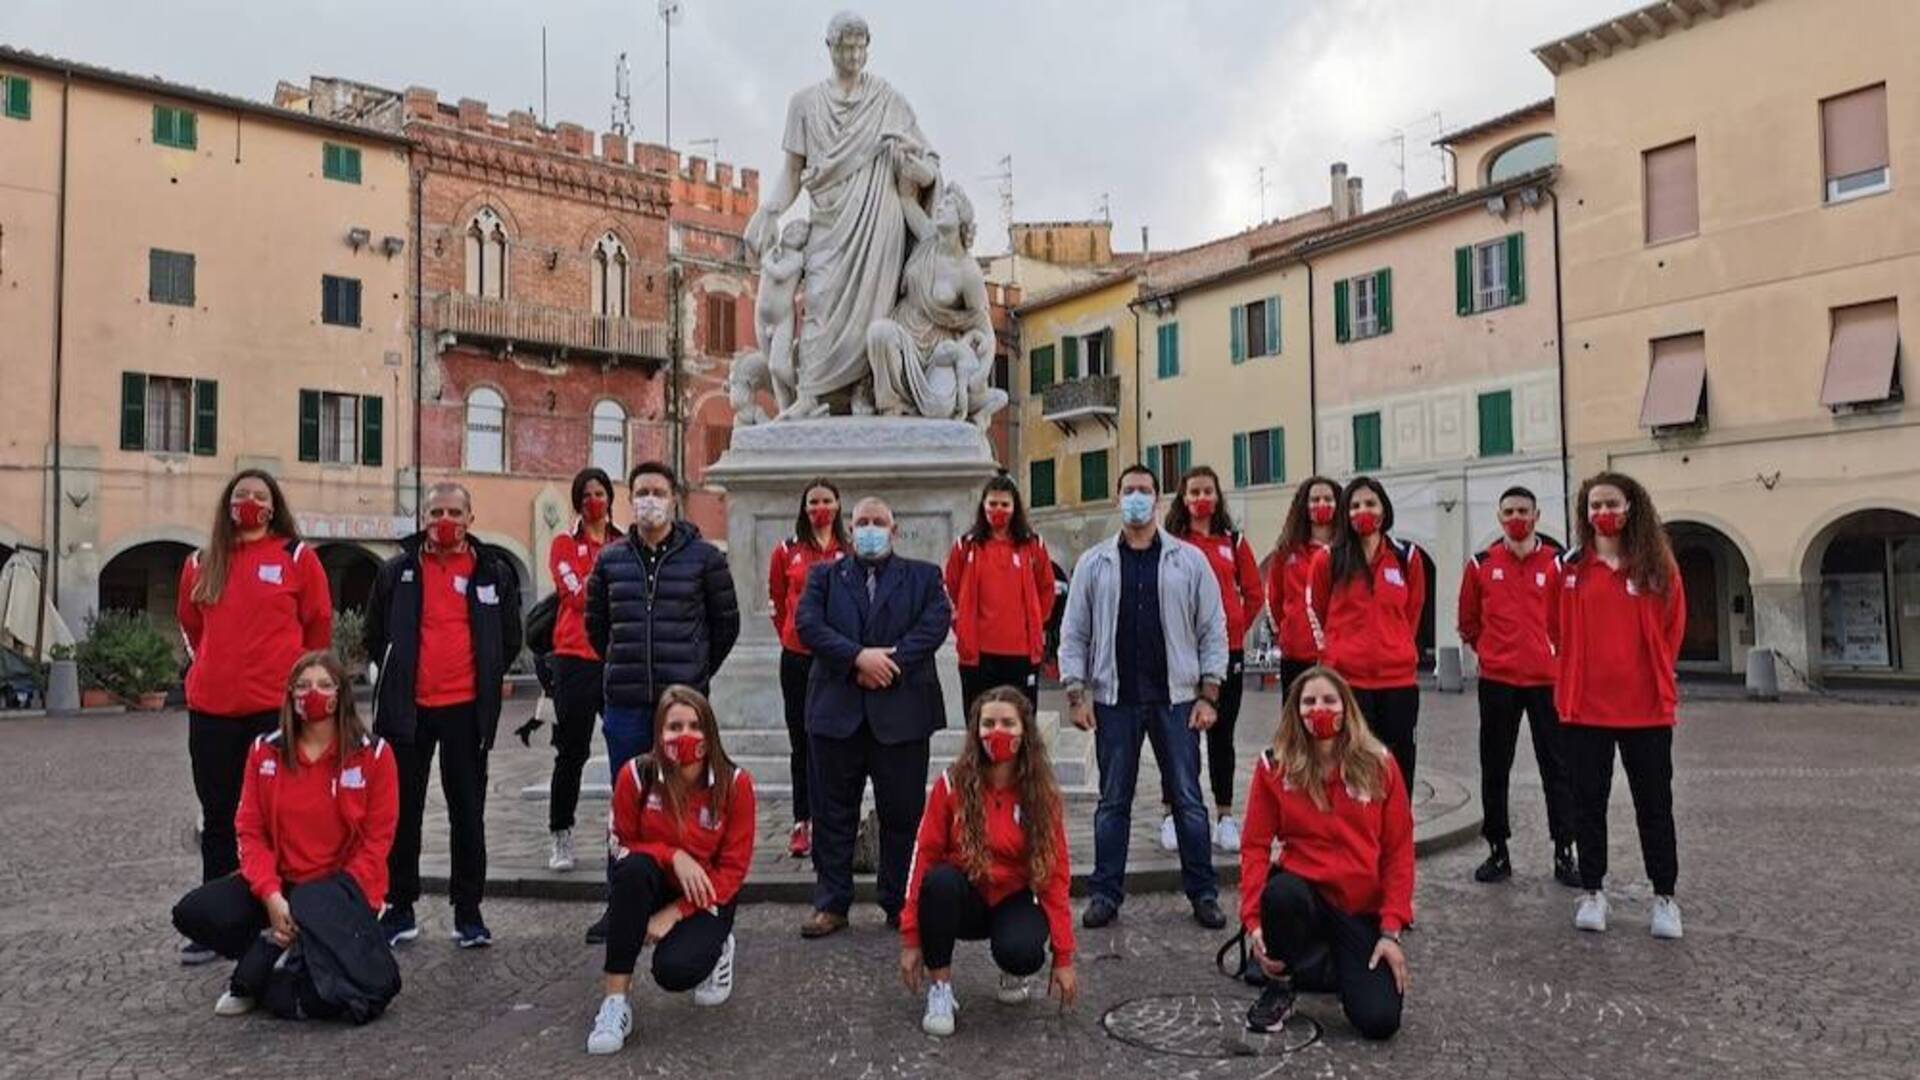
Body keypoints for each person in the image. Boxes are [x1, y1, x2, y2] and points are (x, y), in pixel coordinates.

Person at [171, 651, 399, 1019]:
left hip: (339, 891)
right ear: (290, 693)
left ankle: (270, 965)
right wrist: (272, 896)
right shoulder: (265, 752)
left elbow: (377, 842)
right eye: (304, 685)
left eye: (325, 685)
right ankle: (272, 950)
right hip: (282, 885)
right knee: (196, 911)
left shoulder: (374, 756)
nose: (313, 693)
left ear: (341, 694)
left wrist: (318, 911)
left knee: (305, 992)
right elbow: (250, 831)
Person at [1060, 464, 1228, 931]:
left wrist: (1209, 694)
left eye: (1144, 491)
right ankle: (1105, 894)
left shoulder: (1189, 560)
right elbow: (1073, 632)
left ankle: (1203, 892)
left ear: (1157, 499)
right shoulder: (1095, 562)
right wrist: (1077, 692)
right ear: (1118, 499)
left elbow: (1213, 627)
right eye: (1129, 490)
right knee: (1113, 802)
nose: (1136, 498)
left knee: (1190, 799)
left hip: (1175, 699)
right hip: (1115, 701)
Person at [175, 469, 333, 965]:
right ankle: (217, 922)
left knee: (280, 815)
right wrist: (220, 666)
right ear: (227, 504)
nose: (249, 502)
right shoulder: (201, 563)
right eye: (241, 494)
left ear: (274, 506)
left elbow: (318, 623)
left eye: (259, 495)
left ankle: (282, 914)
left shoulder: (296, 558)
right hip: (212, 710)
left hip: (274, 709)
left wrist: (295, 678)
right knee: (219, 815)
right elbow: (192, 626)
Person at [585, 461, 741, 942]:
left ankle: (690, 900)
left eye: (657, 491)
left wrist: (693, 677)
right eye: (640, 491)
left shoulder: (705, 559)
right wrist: (622, 666)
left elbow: (725, 625)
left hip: (682, 710)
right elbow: (598, 629)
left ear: (675, 497)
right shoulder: (610, 561)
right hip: (628, 704)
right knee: (626, 809)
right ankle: (623, 903)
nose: (649, 500)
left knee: (688, 804)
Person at [364, 481, 523, 949]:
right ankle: (400, 906)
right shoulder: (397, 571)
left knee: (468, 813)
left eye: (454, 511)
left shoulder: (493, 572)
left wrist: (487, 673)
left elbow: (509, 636)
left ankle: (468, 911)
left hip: (467, 711)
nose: (444, 521)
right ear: (424, 518)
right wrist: (398, 679)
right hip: (406, 713)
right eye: (436, 512)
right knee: (401, 812)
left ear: (471, 519)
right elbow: (376, 633)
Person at [794, 496, 952, 939]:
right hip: (835, 713)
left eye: (878, 521)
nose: (869, 528)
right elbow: (809, 625)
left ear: (894, 529)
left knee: (901, 815)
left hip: (901, 714)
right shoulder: (823, 577)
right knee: (831, 813)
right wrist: (858, 659)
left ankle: (899, 901)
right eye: (861, 521)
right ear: (849, 529)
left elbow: (933, 625)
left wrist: (888, 663)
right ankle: (831, 902)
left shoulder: (924, 577)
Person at [1239, 666, 1411, 1041]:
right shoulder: (1275, 767)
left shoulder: (1380, 765)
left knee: (1380, 1020)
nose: (1319, 708)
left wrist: (1391, 931)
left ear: (1346, 707)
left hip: (1358, 906)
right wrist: (1254, 923)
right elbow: (1254, 846)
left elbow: (1398, 851)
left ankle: (1329, 967)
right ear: (1295, 711)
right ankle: (1281, 984)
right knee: (1282, 894)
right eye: (1309, 701)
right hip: (1303, 897)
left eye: (1329, 700)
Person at [585, 686, 756, 1055]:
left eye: (695, 725)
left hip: (706, 892)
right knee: (630, 870)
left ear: (710, 732)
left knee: (674, 972)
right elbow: (620, 844)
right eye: (674, 726)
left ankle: (718, 945)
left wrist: (675, 913)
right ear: (658, 733)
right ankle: (615, 1003)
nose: (685, 735)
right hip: (653, 881)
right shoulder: (636, 775)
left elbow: (733, 871)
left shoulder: (735, 784)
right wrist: (672, 855)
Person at [899, 688, 1077, 1037]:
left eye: (1008, 723)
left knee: (1023, 951)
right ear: (975, 730)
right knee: (939, 881)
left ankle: (1013, 969)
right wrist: (910, 938)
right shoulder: (951, 785)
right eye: (989, 722)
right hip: (963, 895)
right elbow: (923, 858)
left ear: (1024, 731)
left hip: (1013, 897)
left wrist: (1064, 956)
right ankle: (940, 989)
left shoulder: (1041, 794)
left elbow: (1056, 874)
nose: (997, 731)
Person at [1556, 472, 1687, 940]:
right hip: (1585, 710)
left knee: (1654, 805)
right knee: (1587, 804)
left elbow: (1673, 626)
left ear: (1632, 507)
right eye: (1594, 505)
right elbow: (1557, 628)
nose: (1601, 513)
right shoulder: (1570, 568)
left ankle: (1664, 897)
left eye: (1611, 503)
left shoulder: (1655, 565)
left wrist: (1653, 670)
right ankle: (1592, 891)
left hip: (1645, 710)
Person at [1458, 486, 1578, 887]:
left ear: (1537, 514)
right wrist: (1491, 653)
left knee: (1559, 768)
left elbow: (1572, 620)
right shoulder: (1480, 564)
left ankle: (1565, 851)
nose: (1516, 517)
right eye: (1509, 510)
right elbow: (1469, 622)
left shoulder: (1559, 564)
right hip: (1498, 682)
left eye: (1523, 510)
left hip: (1548, 682)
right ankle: (1498, 850)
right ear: (1498, 516)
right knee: (1495, 767)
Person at [1160, 466, 1265, 854]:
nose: (1201, 498)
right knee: (1178, 737)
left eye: (1208, 491)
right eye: (1194, 492)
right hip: (1182, 652)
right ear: (1183, 499)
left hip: (1227, 653)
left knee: (1222, 737)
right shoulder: (1171, 542)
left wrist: (1234, 625)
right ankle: (1174, 814)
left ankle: (1224, 816)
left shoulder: (1233, 543)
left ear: (1217, 496)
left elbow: (1254, 593)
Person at [1306, 476, 1427, 793]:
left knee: (1399, 767)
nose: (1363, 511)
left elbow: (1412, 612)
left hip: (1398, 682)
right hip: (1349, 682)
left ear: (1383, 510)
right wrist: (1335, 652)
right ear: (1345, 513)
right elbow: (1317, 610)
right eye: (1355, 505)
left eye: (1370, 504)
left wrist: (1397, 647)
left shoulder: (1407, 558)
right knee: (1353, 764)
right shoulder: (1328, 560)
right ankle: (1357, 836)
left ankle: (1398, 836)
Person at [545, 467, 623, 874]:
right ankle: (561, 831)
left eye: (601, 492)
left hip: (616, 659)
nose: (595, 500)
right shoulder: (563, 544)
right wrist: (607, 573)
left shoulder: (623, 543)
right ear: (578, 502)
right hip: (574, 659)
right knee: (572, 752)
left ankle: (623, 831)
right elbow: (575, 596)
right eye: (587, 494)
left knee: (625, 750)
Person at [767, 478, 849, 858]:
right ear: (803, 507)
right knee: (801, 742)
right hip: (798, 657)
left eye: (826, 500)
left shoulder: (848, 552)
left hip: (836, 659)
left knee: (834, 743)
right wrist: (793, 632)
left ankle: (832, 819)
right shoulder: (787, 551)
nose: (820, 507)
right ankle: (803, 820)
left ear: (837, 506)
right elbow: (779, 600)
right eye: (813, 500)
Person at [944, 474, 1054, 712]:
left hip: (1022, 653)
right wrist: (961, 624)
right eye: (993, 504)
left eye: (1004, 504)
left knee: (1021, 724)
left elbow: (1046, 589)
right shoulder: (965, 546)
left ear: (1015, 508)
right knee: (978, 723)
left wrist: (1034, 622)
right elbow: (951, 587)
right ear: (983, 506)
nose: (998, 510)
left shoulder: (1034, 545)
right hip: (977, 654)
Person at [1267, 476, 1340, 692]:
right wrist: (1286, 634)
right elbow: (1274, 597)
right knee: (1296, 719)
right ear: (1304, 506)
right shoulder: (1286, 551)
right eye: (1315, 499)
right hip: (1296, 654)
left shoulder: (1347, 551)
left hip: (1338, 655)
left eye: (1328, 499)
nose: (1321, 504)